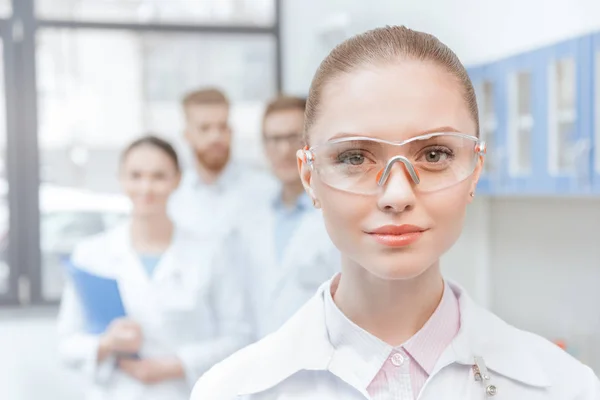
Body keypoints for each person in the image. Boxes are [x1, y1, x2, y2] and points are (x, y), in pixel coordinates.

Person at [190, 26, 600, 399]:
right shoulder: (232, 391)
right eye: (354, 157)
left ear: (476, 169)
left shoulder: (568, 386)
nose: (397, 195)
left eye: (435, 154)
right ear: (309, 176)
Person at [57, 135, 249, 400]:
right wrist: (106, 343)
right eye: (135, 175)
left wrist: (175, 365)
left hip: (182, 392)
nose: (146, 187)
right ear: (121, 179)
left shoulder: (211, 253)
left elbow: (238, 337)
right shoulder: (91, 254)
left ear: (177, 180)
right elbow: (67, 344)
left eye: (158, 176)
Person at [221, 96, 340, 341]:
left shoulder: (339, 214)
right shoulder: (249, 219)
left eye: (294, 138)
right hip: (258, 362)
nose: (284, 150)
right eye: (274, 139)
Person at [168, 88, 276, 238]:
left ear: (231, 131)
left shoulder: (266, 189)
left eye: (222, 126)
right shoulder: (173, 196)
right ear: (187, 135)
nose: (216, 137)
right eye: (204, 128)